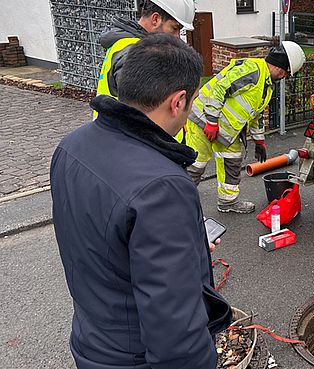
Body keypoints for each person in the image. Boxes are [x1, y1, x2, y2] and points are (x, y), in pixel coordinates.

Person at [51, 34, 232, 369]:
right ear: (178, 102)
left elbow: (100, 238)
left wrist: (183, 247)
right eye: (191, 102)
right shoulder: (162, 186)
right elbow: (175, 329)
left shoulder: (72, 145)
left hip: (92, 338)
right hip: (134, 357)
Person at [185, 41, 306, 213]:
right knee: (196, 165)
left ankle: (227, 202)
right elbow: (220, 88)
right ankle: (178, 204)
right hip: (203, 120)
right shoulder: (253, 70)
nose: (285, 77)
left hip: (225, 132)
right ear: (281, 67)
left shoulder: (266, 86)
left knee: (232, 162)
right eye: (287, 73)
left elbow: (255, 115)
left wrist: (260, 141)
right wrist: (211, 120)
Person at [95, 0, 195, 144]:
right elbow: (143, 114)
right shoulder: (135, 54)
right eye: (174, 28)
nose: (177, 36)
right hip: (135, 147)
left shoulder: (133, 46)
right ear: (155, 19)